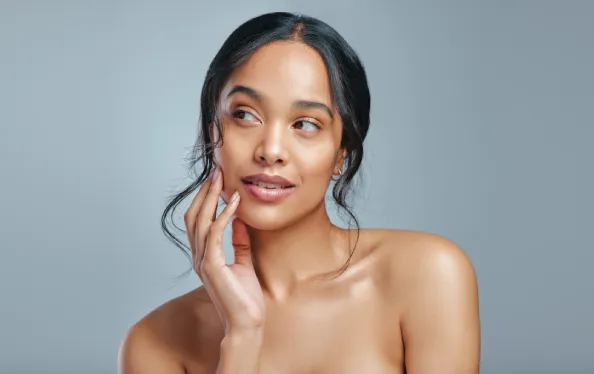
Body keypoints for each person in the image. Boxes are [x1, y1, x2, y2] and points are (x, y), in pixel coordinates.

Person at [118, 12, 481, 374]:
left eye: (305, 124)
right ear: (211, 132)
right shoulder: (154, 344)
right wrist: (243, 336)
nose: (271, 149)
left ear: (343, 152)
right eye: (245, 114)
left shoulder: (428, 275)